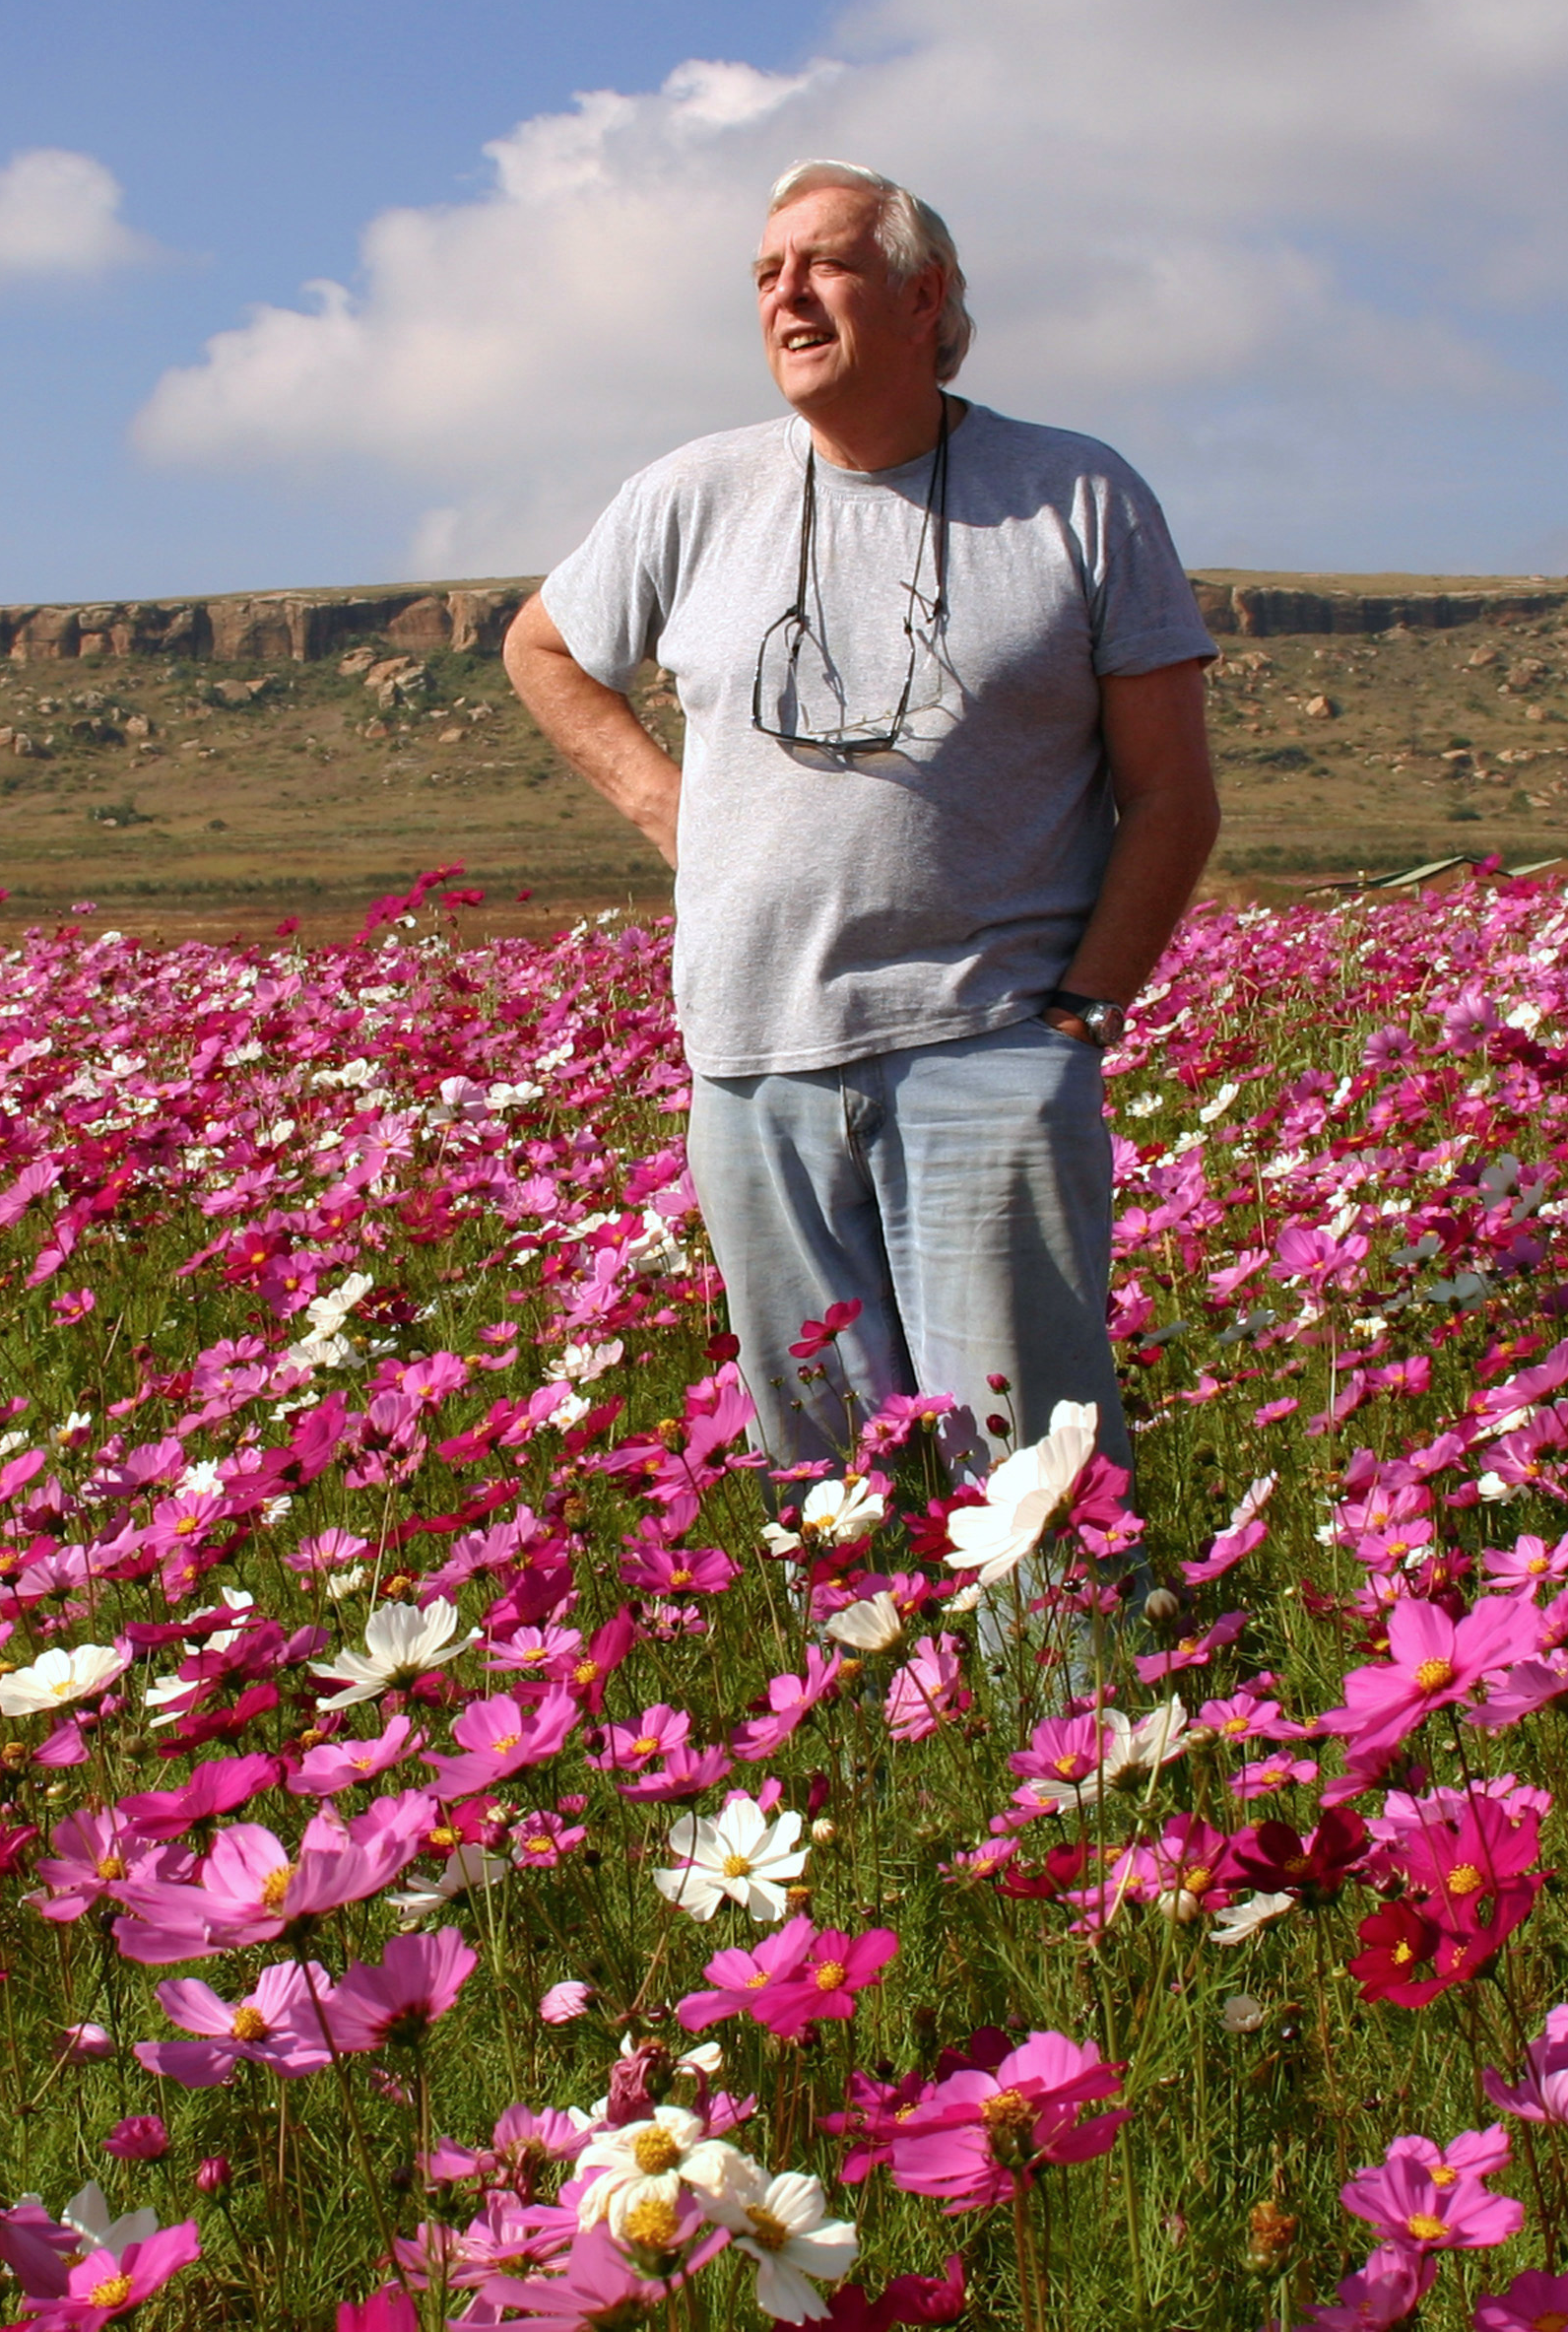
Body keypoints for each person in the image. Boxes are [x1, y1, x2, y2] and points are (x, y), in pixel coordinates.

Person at [503, 159, 1218, 1576]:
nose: (784, 295)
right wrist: (663, 804)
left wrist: (1075, 1021)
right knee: (828, 1483)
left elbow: (1173, 797)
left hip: (984, 1049)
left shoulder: (1074, 494)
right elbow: (540, 649)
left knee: (1030, 1479)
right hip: (748, 1064)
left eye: (820, 265)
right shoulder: (689, 494)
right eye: (764, 274)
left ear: (922, 293)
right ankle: (900, 1744)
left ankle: (1070, 1760)